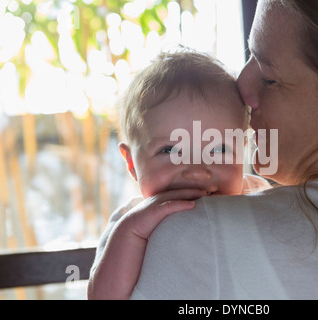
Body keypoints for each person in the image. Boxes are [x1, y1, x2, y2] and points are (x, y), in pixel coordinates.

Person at [90, 0, 318, 299]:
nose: (241, 86)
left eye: (269, 75)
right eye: (171, 149)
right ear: (130, 162)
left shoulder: (196, 235)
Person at [87, 50, 271, 299]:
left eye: (218, 149)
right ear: (131, 163)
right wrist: (132, 232)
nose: (196, 171)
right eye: (170, 150)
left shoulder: (259, 198)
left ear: (243, 151)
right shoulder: (130, 221)